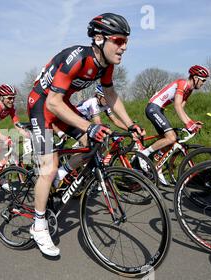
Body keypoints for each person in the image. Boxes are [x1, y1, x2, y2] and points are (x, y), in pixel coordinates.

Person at [27, 13, 144, 256]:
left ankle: (62, 174)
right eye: (119, 41)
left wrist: (130, 124)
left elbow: (110, 96)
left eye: (126, 42)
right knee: (48, 165)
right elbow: (52, 103)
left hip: (61, 103)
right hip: (41, 104)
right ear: (100, 39)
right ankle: (38, 225)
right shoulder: (77, 58)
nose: (124, 47)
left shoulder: (106, 65)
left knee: (93, 142)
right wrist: (88, 124)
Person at [141, 65, 209, 185]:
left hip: (159, 110)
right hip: (153, 108)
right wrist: (188, 124)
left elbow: (181, 109)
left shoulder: (189, 90)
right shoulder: (183, 83)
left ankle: (158, 168)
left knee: (171, 140)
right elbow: (177, 106)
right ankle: (144, 154)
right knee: (171, 137)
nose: (203, 83)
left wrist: (191, 122)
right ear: (195, 77)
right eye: (203, 80)